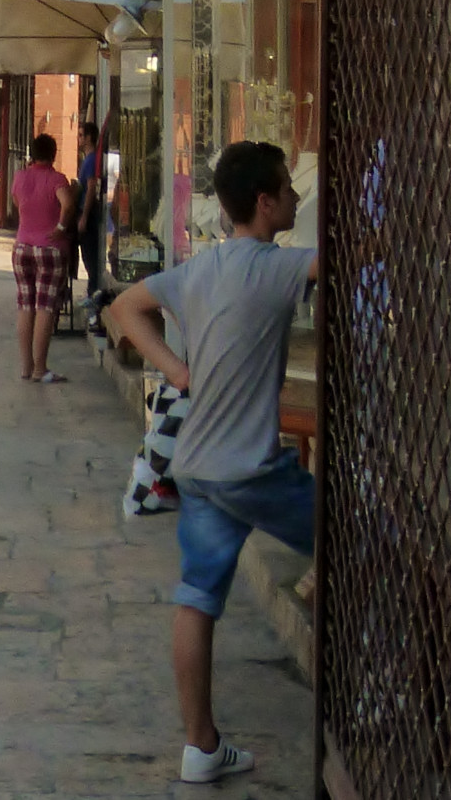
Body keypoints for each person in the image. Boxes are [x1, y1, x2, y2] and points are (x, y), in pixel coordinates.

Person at [106, 140, 318, 789]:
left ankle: (201, 747)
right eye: (289, 188)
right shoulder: (276, 268)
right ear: (264, 201)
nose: (297, 196)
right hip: (253, 470)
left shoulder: (200, 270)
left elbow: (122, 308)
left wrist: (175, 370)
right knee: (369, 548)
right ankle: (379, 704)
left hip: (196, 467)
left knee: (197, 600)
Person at [9, 131, 77, 383]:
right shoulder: (57, 179)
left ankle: (26, 367)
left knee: (25, 305)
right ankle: (41, 368)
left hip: (22, 245)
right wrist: (60, 228)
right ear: (53, 154)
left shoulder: (20, 177)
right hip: (49, 248)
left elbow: (16, 202)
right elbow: (67, 204)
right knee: (45, 306)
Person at [74, 120, 109, 305]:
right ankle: (92, 290)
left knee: (90, 256)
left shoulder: (90, 160)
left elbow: (90, 188)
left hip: (88, 212)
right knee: (87, 255)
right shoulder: (89, 159)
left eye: (81, 135)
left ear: (88, 138)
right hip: (87, 212)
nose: (78, 139)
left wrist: (84, 217)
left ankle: (93, 292)